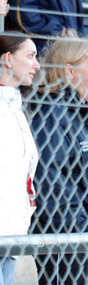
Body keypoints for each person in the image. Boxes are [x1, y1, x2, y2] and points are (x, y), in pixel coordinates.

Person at [30, 32, 88, 285]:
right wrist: (81, 227)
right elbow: (50, 181)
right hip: (70, 244)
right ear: (69, 71)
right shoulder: (53, 116)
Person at [0, 33, 40, 285]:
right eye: (30, 56)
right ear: (8, 59)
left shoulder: (16, 108)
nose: (37, 65)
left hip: (13, 233)